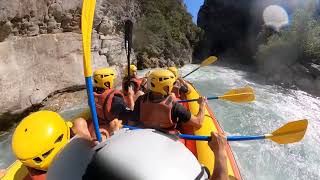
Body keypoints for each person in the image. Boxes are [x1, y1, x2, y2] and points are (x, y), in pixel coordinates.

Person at [7, 111, 122, 180]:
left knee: (79, 123)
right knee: (83, 125)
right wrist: (114, 132)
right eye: (70, 133)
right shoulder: (81, 166)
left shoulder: (35, 167)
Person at [131, 69, 207, 131]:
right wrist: (202, 105)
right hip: (166, 139)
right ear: (166, 87)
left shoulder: (140, 100)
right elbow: (198, 122)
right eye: (172, 84)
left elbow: (132, 123)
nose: (173, 86)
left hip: (145, 134)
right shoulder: (175, 106)